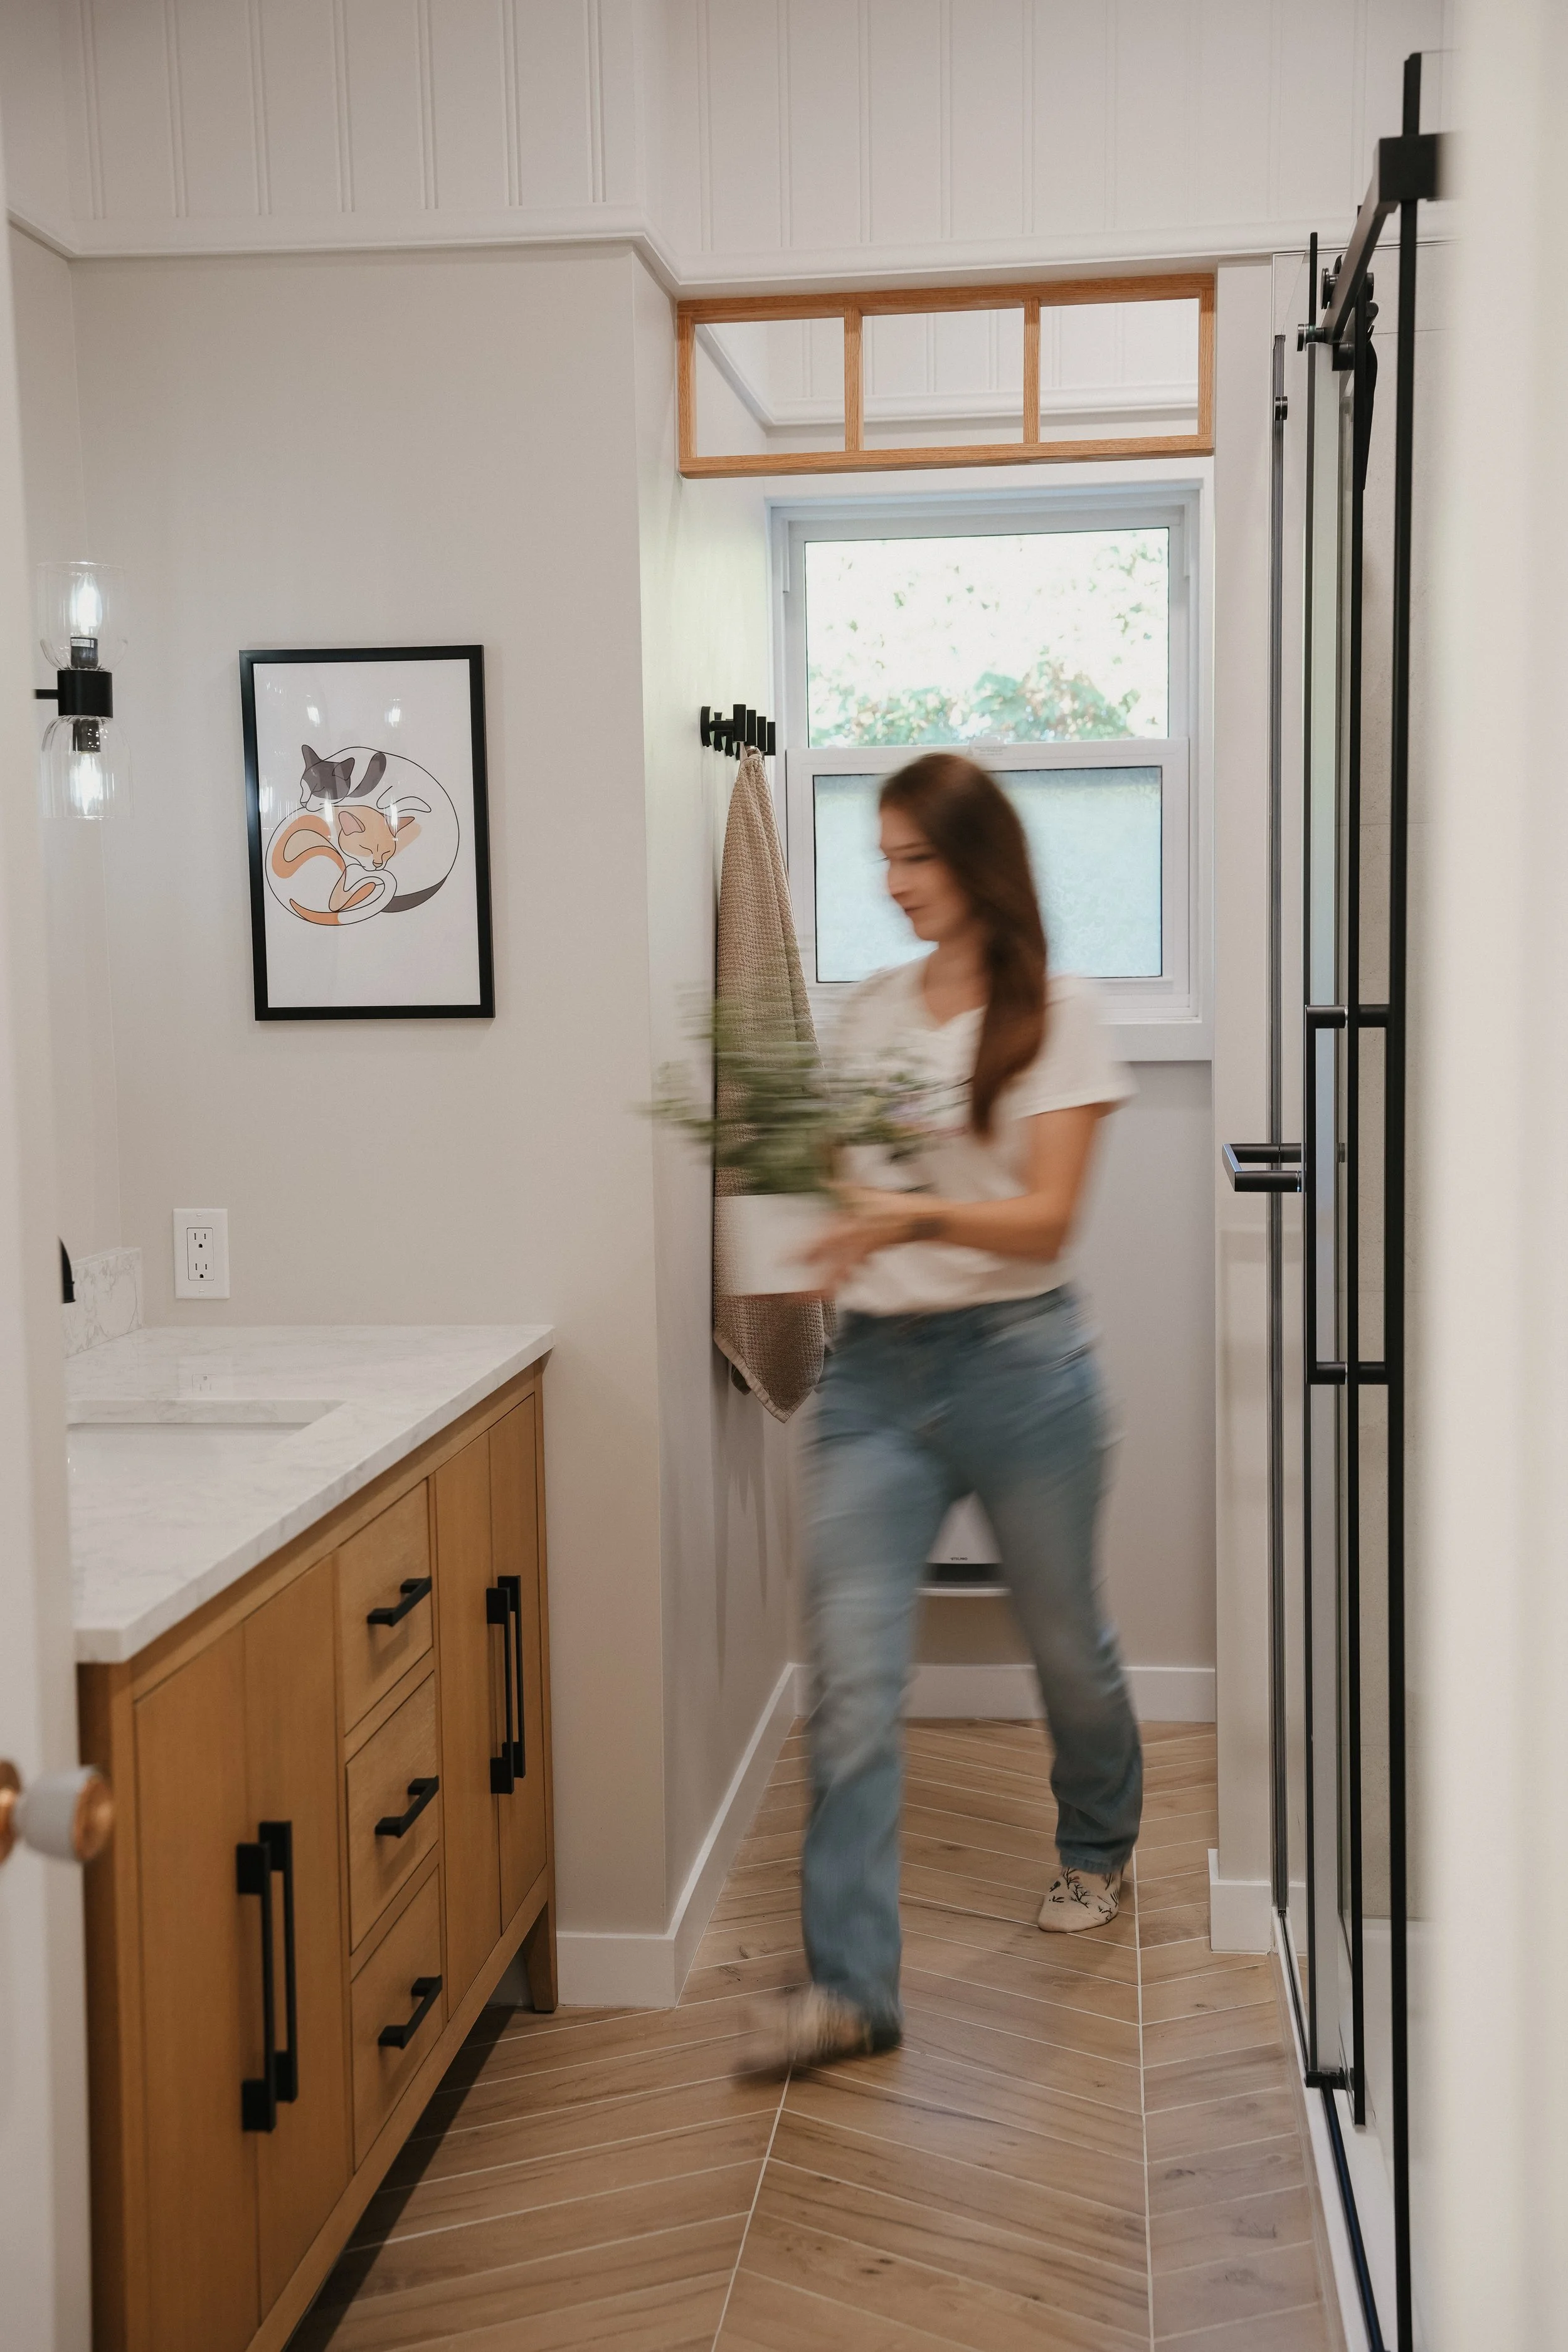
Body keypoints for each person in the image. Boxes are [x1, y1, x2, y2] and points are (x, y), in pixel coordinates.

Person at [753, 751, 1141, 2074]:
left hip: (1023, 1369)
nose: (890, 881)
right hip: (872, 1380)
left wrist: (910, 1213)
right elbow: (842, 1171)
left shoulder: (1062, 1013)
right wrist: (785, 1166)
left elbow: (1045, 1217)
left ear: (978, 865)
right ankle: (851, 1987)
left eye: (913, 856)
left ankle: (1096, 1846)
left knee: (1064, 1646)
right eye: (883, 855)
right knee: (853, 1676)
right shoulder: (865, 1014)